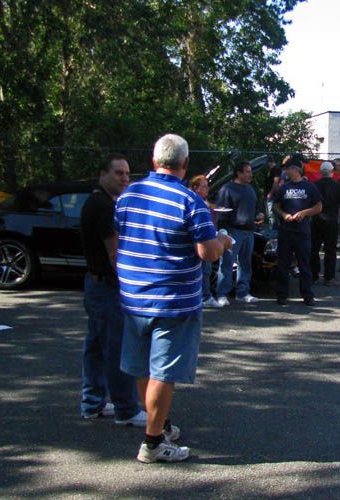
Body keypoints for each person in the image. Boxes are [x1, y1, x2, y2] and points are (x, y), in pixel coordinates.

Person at [116, 134, 229, 463]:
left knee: (142, 368)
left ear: (154, 161)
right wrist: (223, 242)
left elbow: (122, 236)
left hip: (134, 297)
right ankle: (152, 444)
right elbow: (207, 253)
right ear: (185, 164)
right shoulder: (190, 202)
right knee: (163, 373)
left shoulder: (128, 195)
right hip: (173, 302)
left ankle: (159, 425)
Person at [80, 154, 144, 425]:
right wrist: (133, 286)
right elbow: (115, 254)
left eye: (127, 173)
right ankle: (126, 410)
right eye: (118, 173)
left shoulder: (99, 201)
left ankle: (92, 403)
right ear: (102, 174)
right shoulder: (103, 206)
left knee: (96, 345)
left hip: (95, 284)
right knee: (117, 349)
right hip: (107, 287)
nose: (124, 178)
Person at [274, 158, 323, 305]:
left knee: (304, 264)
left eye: (288, 169)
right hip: (285, 231)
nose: (286, 172)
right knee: (283, 264)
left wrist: (304, 213)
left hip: (302, 232)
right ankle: (282, 295)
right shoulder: (284, 187)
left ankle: (307, 295)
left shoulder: (309, 187)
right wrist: (284, 215)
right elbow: (275, 206)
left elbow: (319, 207)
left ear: (295, 170)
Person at [215, 161, 264, 305]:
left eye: (250, 171)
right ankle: (222, 294)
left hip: (249, 231)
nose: (250, 174)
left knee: (245, 264)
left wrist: (258, 214)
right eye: (247, 171)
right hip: (233, 231)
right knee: (227, 263)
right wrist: (224, 232)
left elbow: (254, 207)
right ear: (239, 173)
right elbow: (221, 212)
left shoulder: (250, 189)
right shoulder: (227, 189)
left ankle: (243, 293)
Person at [311, 161, 340, 286]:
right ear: (332, 171)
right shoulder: (337, 185)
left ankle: (314, 276)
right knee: (330, 250)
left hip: (316, 220)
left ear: (321, 172)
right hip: (331, 221)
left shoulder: (314, 185)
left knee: (314, 249)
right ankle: (329, 277)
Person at [189, 175, 220, 309]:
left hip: (209, 237)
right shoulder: (193, 202)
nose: (207, 189)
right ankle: (205, 297)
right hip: (200, 241)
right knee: (204, 269)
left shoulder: (205, 203)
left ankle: (204, 295)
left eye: (207, 186)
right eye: (204, 187)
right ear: (195, 188)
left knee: (206, 269)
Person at [264, 156, 282, 229]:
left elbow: (276, 182)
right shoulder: (270, 170)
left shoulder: (276, 169)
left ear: (269, 162)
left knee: (272, 214)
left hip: (272, 195)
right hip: (268, 195)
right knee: (269, 214)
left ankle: (274, 230)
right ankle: (272, 228)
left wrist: (270, 193)